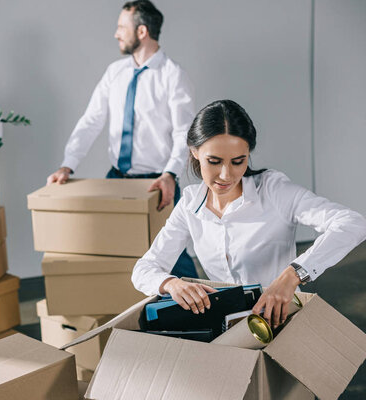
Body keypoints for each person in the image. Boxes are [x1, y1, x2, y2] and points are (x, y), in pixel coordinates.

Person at [131, 99, 366, 330]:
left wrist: (294, 274)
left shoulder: (274, 191)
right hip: (226, 326)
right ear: (194, 152)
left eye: (238, 161)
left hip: (283, 321)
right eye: (214, 161)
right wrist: (170, 283)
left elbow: (352, 223)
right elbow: (144, 269)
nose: (226, 175)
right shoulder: (190, 204)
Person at [46, 0, 197, 278]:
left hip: (157, 183)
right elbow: (91, 121)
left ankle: (203, 314)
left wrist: (169, 174)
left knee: (172, 258)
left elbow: (184, 134)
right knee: (114, 252)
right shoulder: (115, 73)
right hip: (116, 178)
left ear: (141, 31)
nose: (116, 34)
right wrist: (68, 165)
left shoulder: (173, 76)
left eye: (121, 27)